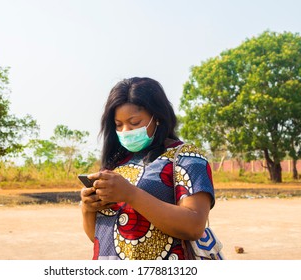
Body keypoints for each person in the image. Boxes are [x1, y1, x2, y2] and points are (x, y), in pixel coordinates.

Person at [80, 77, 215, 260]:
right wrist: (88, 209)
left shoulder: (187, 159)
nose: (126, 130)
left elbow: (194, 226)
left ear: (157, 117)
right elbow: (99, 238)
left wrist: (131, 194)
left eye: (134, 122)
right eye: (118, 125)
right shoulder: (115, 164)